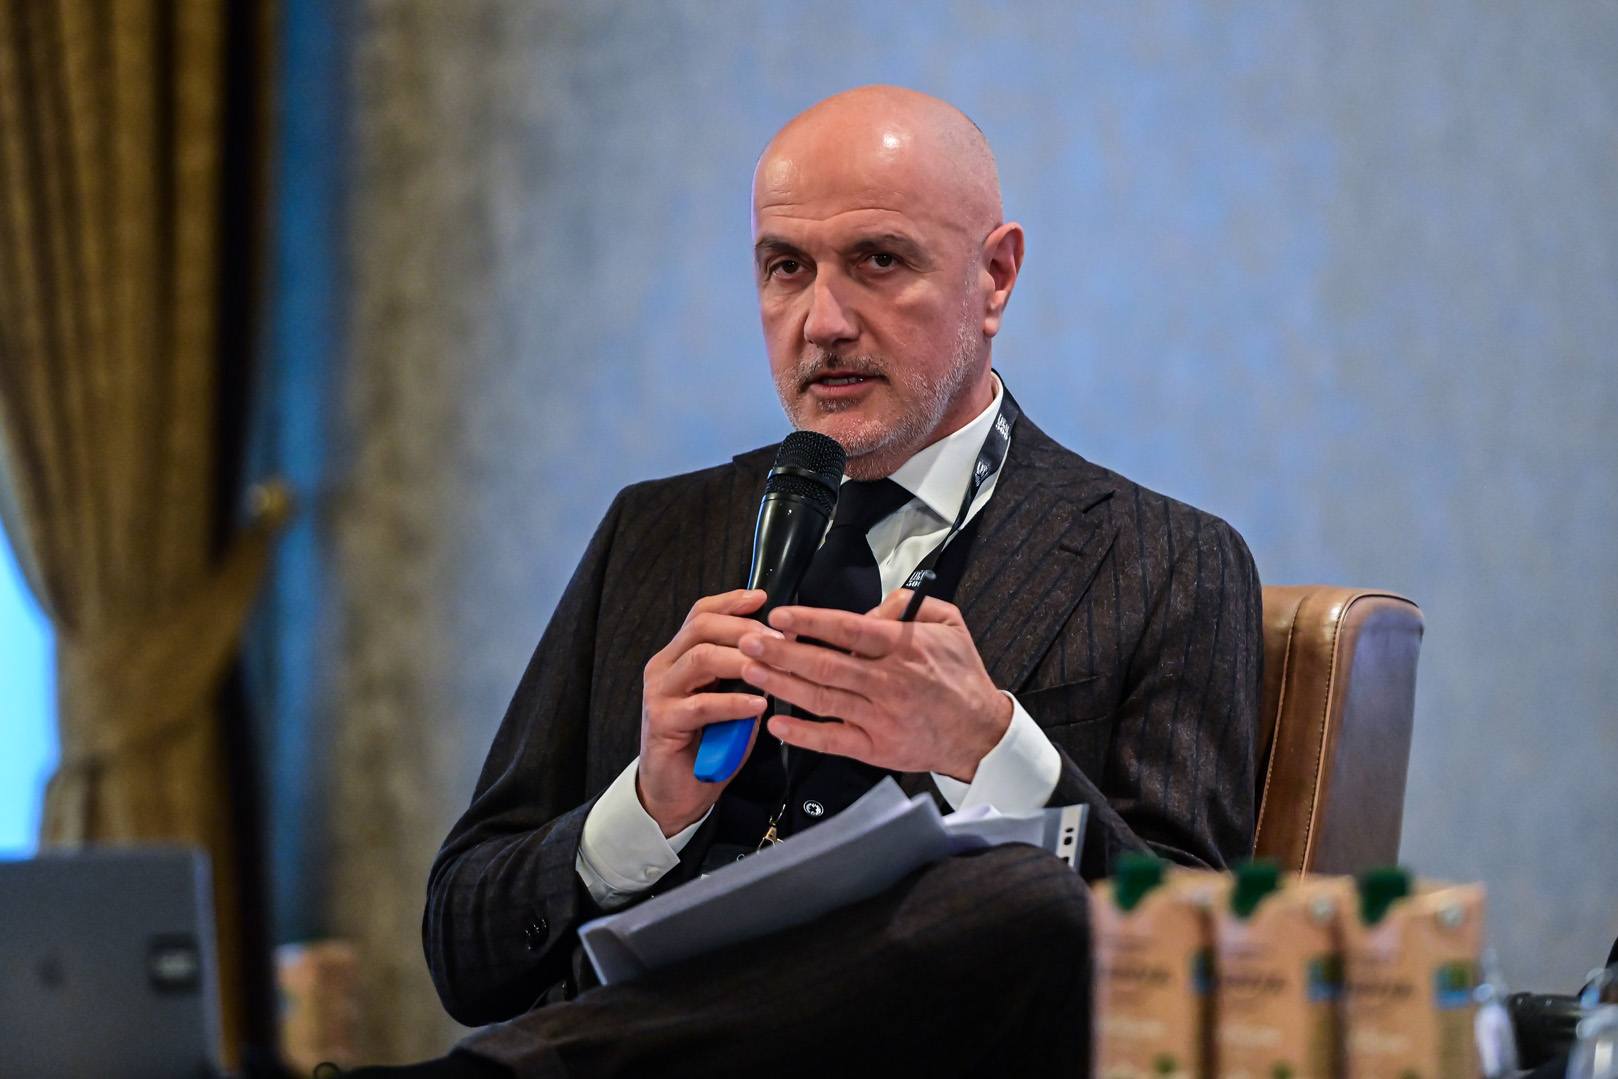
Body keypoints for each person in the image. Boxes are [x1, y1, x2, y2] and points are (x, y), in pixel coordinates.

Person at [364, 85, 1262, 1078]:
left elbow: (1202, 965)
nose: (822, 322)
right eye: (786, 267)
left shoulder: (1165, 559)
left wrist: (991, 748)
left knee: (1028, 901)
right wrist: (645, 810)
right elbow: (464, 949)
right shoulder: (652, 532)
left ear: (995, 276)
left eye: (879, 261)